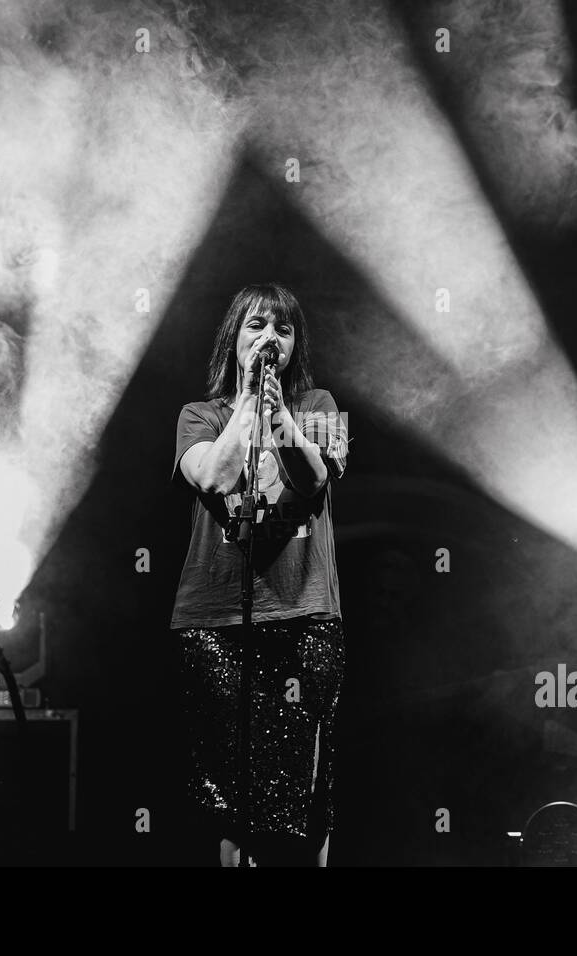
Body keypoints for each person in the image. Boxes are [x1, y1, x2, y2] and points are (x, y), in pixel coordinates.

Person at [169, 282, 349, 866]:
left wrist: (280, 419)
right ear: (235, 339)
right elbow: (216, 478)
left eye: (284, 329)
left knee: (306, 788)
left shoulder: (319, 407)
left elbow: (314, 477)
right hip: (215, 621)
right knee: (226, 789)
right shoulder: (197, 416)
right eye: (256, 326)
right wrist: (247, 404)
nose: (270, 337)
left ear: (295, 345)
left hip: (303, 614)